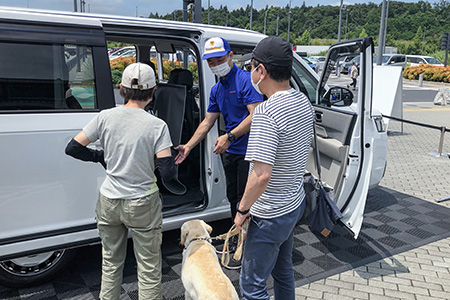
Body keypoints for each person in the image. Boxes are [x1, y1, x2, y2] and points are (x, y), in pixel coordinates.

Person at [65, 63, 175, 300]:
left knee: (111, 263)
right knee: (148, 267)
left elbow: (73, 147)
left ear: (122, 89)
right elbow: (167, 172)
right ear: (153, 90)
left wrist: (100, 156)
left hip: (109, 201)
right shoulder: (157, 125)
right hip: (143, 201)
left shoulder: (105, 117)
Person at [234, 36, 314, 300]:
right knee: (283, 272)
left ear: (262, 71)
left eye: (251, 67)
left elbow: (261, 175)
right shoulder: (303, 102)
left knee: (252, 287)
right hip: (292, 204)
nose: (249, 73)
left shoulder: (267, 113)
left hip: (268, 214)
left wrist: (242, 210)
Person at [174, 37, 262, 237]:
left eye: (219, 60)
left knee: (245, 200)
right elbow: (207, 122)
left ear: (230, 56)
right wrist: (188, 146)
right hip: (230, 152)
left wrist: (229, 136)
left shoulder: (246, 80)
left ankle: (246, 243)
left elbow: (255, 115)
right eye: (210, 62)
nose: (215, 65)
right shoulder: (217, 89)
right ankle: (238, 235)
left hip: (249, 152)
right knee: (233, 197)